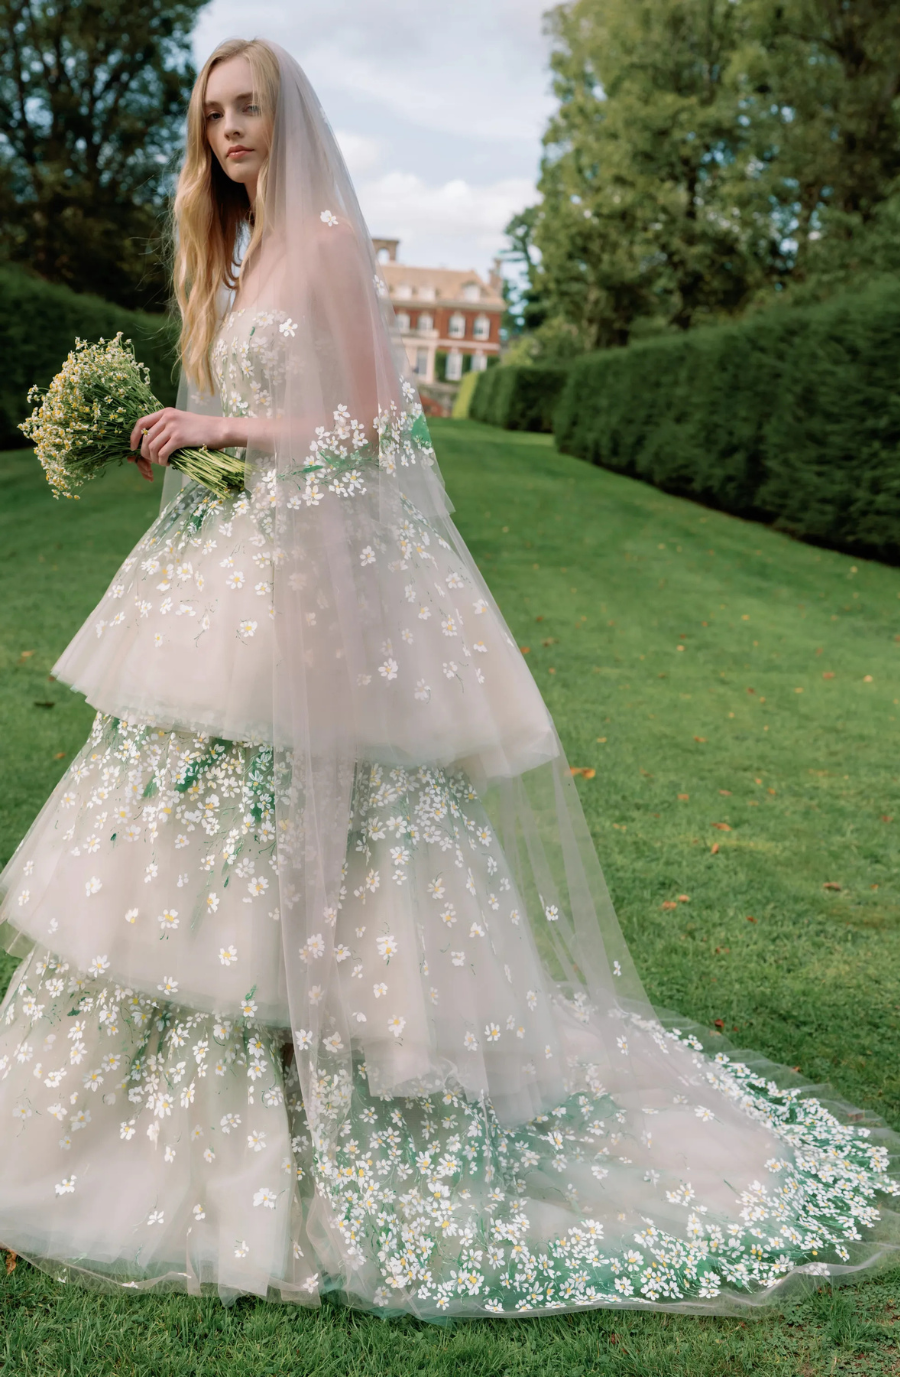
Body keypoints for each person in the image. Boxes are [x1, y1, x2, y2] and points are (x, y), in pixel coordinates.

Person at [0, 38, 897, 1319]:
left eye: (247, 109)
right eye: (213, 117)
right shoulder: (244, 250)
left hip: (309, 588)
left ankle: (344, 1078)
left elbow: (374, 425)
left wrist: (222, 426)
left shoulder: (313, 242)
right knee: (190, 813)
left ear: (289, 114)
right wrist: (199, 448)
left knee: (331, 820)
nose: (230, 133)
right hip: (243, 570)